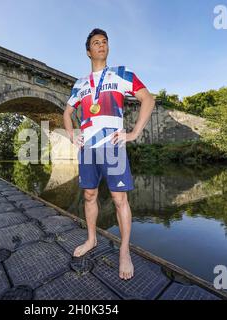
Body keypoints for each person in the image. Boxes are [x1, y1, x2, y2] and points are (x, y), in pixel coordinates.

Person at [62, 28, 156, 280]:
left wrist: (134, 132)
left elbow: (148, 99)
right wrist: (71, 133)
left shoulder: (122, 74)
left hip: (113, 146)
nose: (101, 45)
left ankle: (124, 251)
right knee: (89, 194)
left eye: (104, 42)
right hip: (88, 149)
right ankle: (92, 239)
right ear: (88, 51)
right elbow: (66, 113)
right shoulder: (79, 84)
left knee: (119, 199)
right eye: (96, 42)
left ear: (107, 47)